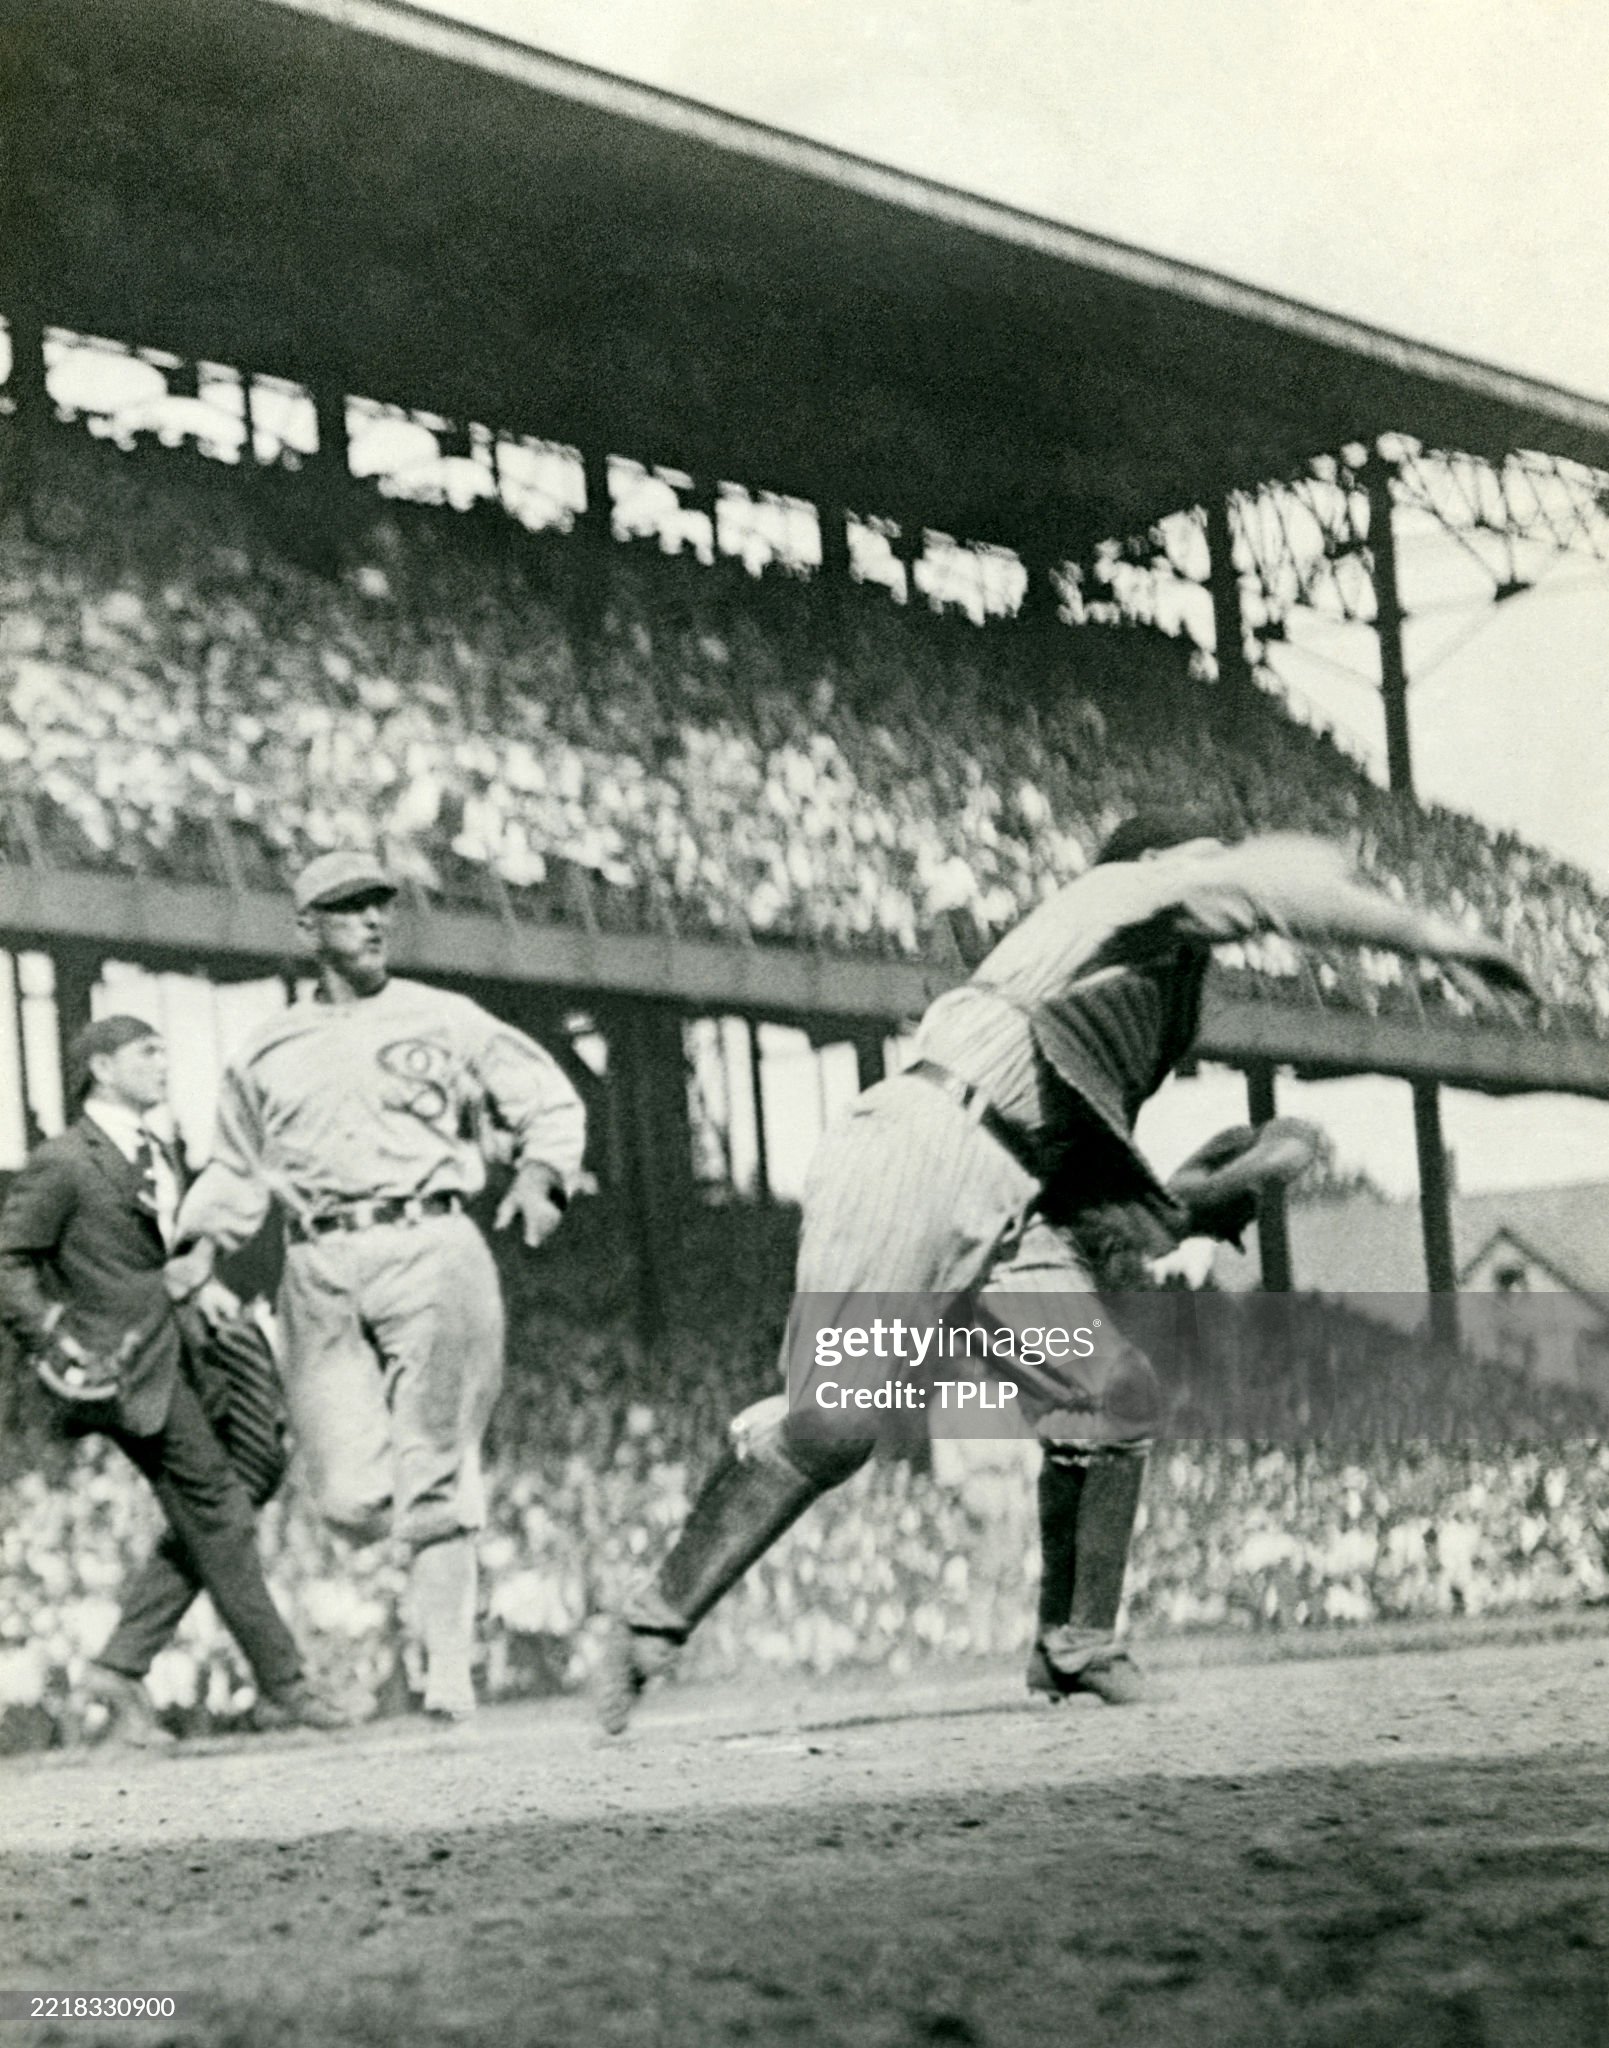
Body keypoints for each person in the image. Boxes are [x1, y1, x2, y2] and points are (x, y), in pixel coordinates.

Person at [596, 816, 1535, 1733]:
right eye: (1203, 854)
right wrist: (1432, 937)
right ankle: (654, 1618)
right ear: (1158, 858)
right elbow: (1265, 881)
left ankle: (1076, 1644)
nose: (1216, 874)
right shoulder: (1124, 889)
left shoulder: (1133, 997)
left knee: (1113, 1394)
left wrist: (1186, 1204)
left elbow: (1085, 1196)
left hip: (1011, 1193)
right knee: (835, 1427)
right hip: (921, 1143)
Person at [164, 850, 586, 1721]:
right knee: (348, 1498)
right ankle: (439, 1544)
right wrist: (199, 1244)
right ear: (305, 927)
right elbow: (235, 1168)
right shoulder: (268, 1047)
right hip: (316, 1261)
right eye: (348, 906)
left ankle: (448, 1671)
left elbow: (545, 1097)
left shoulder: (443, 1016)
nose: (372, 918)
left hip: (431, 1240)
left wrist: (541, 1173)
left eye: (379, 904)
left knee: (433, 1467)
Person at [0, 1016, 346, 1744]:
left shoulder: (156, 1151)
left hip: (185, 1349)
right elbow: (9, 1260)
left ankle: (120, 1666)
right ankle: (285, 1685)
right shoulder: (62, 1162)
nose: (164, 1063)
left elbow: (157, 1259)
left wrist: (199, 1285)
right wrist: (55, 1335)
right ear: (101, 1068)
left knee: (244, 1483)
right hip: (120, 1370)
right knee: (219, 1507)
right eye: (147, 1053)